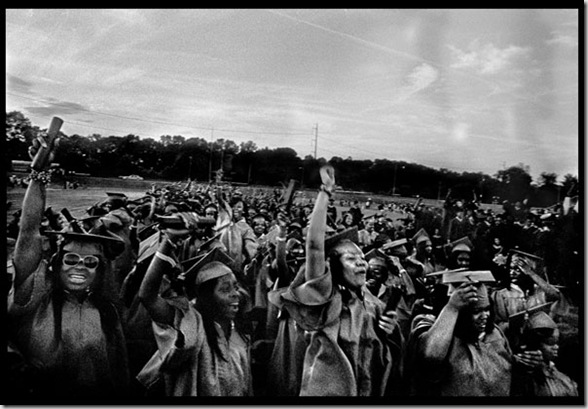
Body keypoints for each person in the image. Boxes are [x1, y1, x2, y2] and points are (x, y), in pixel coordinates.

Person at [7, 131, 130, 399]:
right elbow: (28, 232)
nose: (80, 267)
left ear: (100, 271)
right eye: (71, 259)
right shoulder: (36, 297)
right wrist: (39, 176)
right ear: (57, 262)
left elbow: (119, 374)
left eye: (90, 262)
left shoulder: (107, 311)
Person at [269, 165, 401, 396]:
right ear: (335, 267)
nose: (362, 262)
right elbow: (314, 245)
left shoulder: (373, 305)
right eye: (351, 258)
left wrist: (390, 332)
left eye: (362, 258)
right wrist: (326, 192)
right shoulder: (326, 301)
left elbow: (384, 360)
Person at [137, 217, 253, 396]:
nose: (235, 294)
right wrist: (168, 242)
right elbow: (148, 296)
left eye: (235, 286)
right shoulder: (190, 323)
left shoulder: (238, 329)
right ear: (207, 298)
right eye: (225, 289)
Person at [407, 271, 512, 396]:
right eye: (476, 311)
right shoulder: (430, 326)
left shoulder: (495, 332)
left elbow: (507, 368)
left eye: (487, 309)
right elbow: (430, 356)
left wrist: (526, 364)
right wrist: (452, 307)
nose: (485, 316)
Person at [511, 310, 578, 397]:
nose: (556, 347)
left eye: (556, 342)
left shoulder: (554, 367)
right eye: (550, 343)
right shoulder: (527, 376)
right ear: (535, 344)